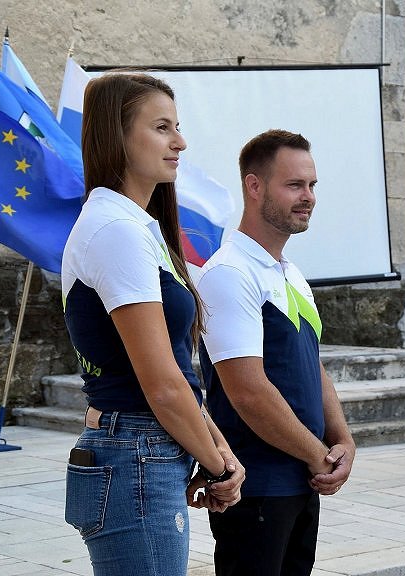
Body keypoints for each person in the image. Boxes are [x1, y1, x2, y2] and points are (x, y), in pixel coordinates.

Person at [61, 72, 245, 575]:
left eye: (177, 127)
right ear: (117, 137)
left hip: (141, 451)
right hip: (134, 453)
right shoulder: (116, 230)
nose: (180, 142)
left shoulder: (134, 228)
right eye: (162, 127)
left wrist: (217, 450)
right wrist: (215, 460)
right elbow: (161, 385)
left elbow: (178, 375)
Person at [197, 129, 356, 576]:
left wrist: (341, 439)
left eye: (312, 185)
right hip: (257, 487)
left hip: (300, 481)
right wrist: (317, 455)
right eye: (294, 185)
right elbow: (247, 391)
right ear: (254, 186)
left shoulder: (289, 273)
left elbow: (311, 364)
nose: (308, 197)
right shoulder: (229, 273)